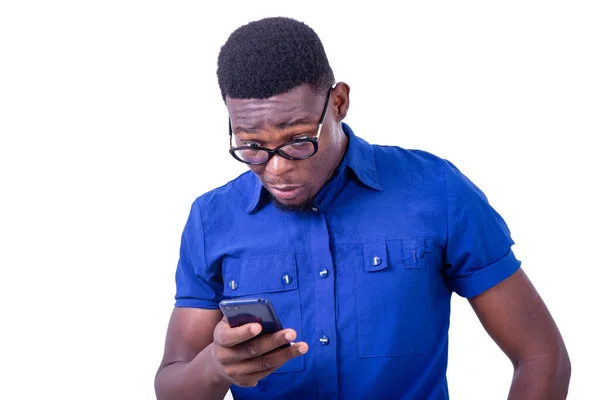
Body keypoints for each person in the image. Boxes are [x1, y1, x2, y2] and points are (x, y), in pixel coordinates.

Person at [154, 16, 571, 400]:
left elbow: (540, 356)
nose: (277, 168)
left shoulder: (437, 191)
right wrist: (214, 366)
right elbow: (172, 384)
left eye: (299, 139)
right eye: (251, 145)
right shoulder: (212, 219)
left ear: (338, 103)